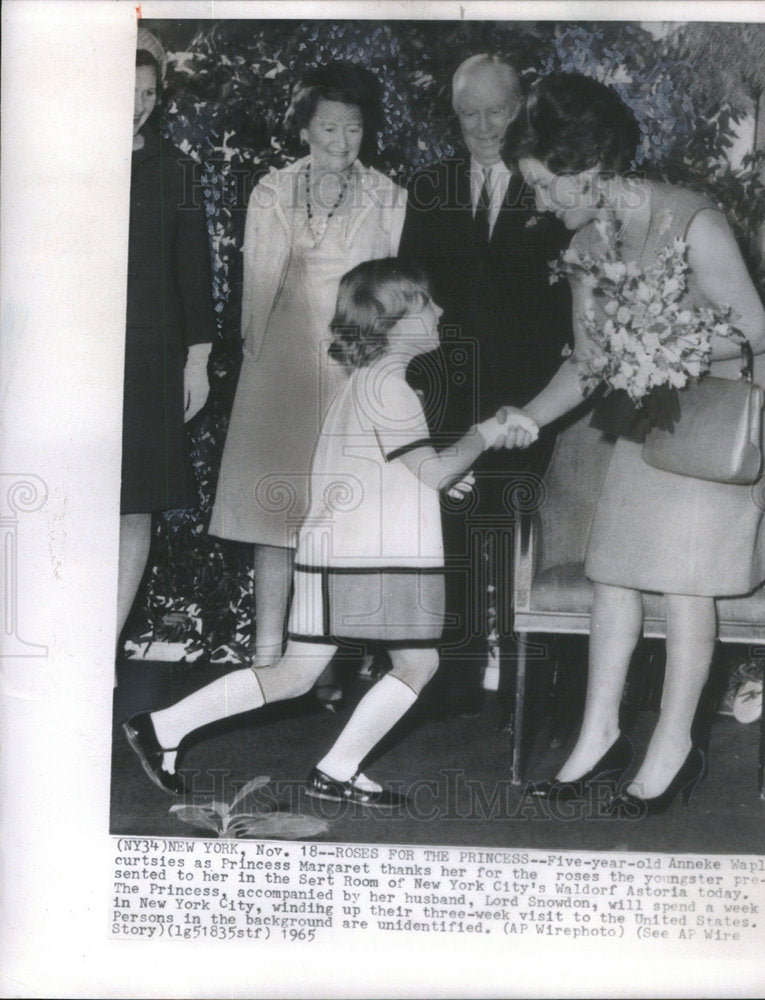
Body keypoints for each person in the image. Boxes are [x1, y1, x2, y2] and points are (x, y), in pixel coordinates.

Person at [124, 259, 537, 804]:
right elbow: (430, 470)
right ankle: (336, 769)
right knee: (419, 662)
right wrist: (485, 432)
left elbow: (396, 468)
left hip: (333, 550)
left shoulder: (368, 382)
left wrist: (440, 476)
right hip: (373, 556)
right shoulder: (392, 388)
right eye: (427, 303)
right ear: (393, 319)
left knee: (295, 674)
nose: (440, 311)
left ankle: (162, 729)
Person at [501, 72, 765, 813]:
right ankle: (598, 736)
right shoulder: (586, 241)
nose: (538, 202)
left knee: (683, 584)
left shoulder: (693, 222)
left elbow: (754, 334)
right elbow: (590, 362)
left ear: (589, 169)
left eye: (545, 185)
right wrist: (526, 415)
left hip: (721, 415)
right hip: (649, 406)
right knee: (615, 572)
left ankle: (673, 745)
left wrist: (659, 343)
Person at [209, 63, 406, 710]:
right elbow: (254, 291)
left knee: (340, 518)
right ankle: (267, 657)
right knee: (274, 516)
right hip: (282, 370)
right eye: (328, 127)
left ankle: (328, 666)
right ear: (304, 127)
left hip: (351, 368)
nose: (341, 141)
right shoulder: (270, 190)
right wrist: (252, 362)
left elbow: (395, 296)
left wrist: (383, 371)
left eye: (353, 128)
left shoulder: (387, 195)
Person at [399, 54, 573, 717]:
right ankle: (458, 673)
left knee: (523, 533)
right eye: (467, 114)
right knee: (452, 529)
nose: (481, 126)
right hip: (448, 386)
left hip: (534, 396)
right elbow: (411, 292)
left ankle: (533, 684)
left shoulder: (551, 185)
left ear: (520, 106)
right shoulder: (430, 184)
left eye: (495, 111)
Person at [118, 30, 214, 646]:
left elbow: (194, 275)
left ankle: (101, 650)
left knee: (134, 505)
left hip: (149, 359)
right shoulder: (53, 161)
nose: (137, 105)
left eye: (148, 93)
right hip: (71, 364)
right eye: (126, 92)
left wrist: (197, 361)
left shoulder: (177, 171)